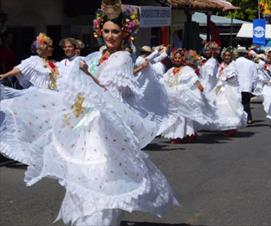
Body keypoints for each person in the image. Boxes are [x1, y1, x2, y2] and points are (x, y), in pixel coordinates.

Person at [0, 1, 178, 225]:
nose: (110, 36)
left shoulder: (122, 58)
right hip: (89, 122)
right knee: (83, 172)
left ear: (125, 33)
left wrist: (86, 76)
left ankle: (99, 219)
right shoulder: (99, 56)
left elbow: (109, 95)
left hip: (105, 125)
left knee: (101, 172)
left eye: (115, 32)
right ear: (99, 31)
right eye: (106, 31)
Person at [159, 48, 213, 143]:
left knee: (184, 116)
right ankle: (176, 135)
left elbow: (194, 79)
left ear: (183, 59)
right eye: (175, 58)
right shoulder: (170, 70)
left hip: (183, 96)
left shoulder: (187, 69)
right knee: (174, 116)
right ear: (173, 59)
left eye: (179, 58)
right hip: (172, 97)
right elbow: (163, 81)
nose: (177, 60)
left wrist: (199, 86)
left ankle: (185, 135)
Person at [206, 47, 247, 136]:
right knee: (221, 106)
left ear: (232, 56)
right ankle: (225, 126)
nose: (227, 57)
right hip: (221, 88)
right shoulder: (221, 64)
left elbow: (234, 76)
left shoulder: (234, 64)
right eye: (225, 55)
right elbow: (218, 75)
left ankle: (232, 127)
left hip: (230, 88)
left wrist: (226, 78)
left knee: (231, 107)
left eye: (229, 55)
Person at [235, 46, 257, 124]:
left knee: (238, 103)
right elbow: (255, 77)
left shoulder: (235, 63)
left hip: (237, 85)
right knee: (246, 103)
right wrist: (254, 86)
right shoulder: (251, 63)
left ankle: (243, 118)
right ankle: (248, 118)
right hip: (247, 85)